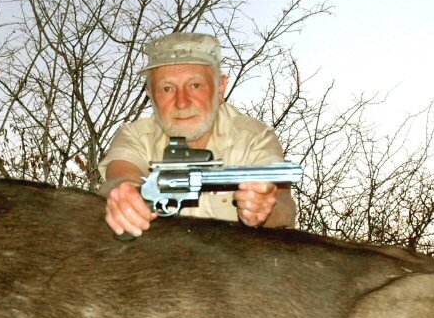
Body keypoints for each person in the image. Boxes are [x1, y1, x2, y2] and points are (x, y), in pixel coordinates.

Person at [98, 31, 298, 236]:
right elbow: (119, 176)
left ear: (220, 88)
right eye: (167, 88)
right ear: (150, 94)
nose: (182, 102)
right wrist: (125, 195)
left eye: (195, 85)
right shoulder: (134, 135)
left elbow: (284, 204)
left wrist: (265, 209)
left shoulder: (255, 137)